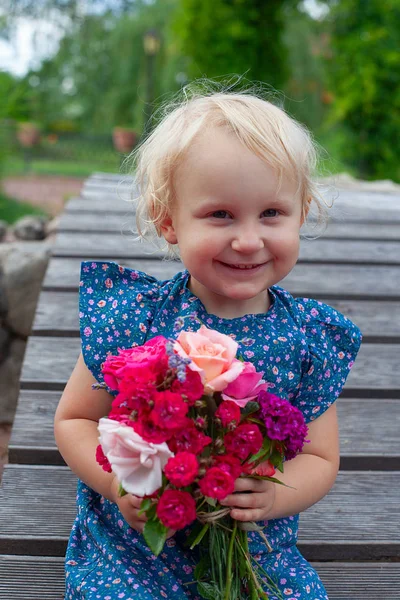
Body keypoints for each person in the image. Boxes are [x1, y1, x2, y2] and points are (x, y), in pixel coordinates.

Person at [54, 85, 362, 600]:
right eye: (220, 215)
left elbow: (320, 458)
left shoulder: (308, 338)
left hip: (251, 548)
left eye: (271, 214)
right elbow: (76, 420)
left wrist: (272, 498)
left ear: (302, 213)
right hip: (139, 547)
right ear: (168, 220)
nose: (248, 239)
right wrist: (115, 485)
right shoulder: (137, 319)